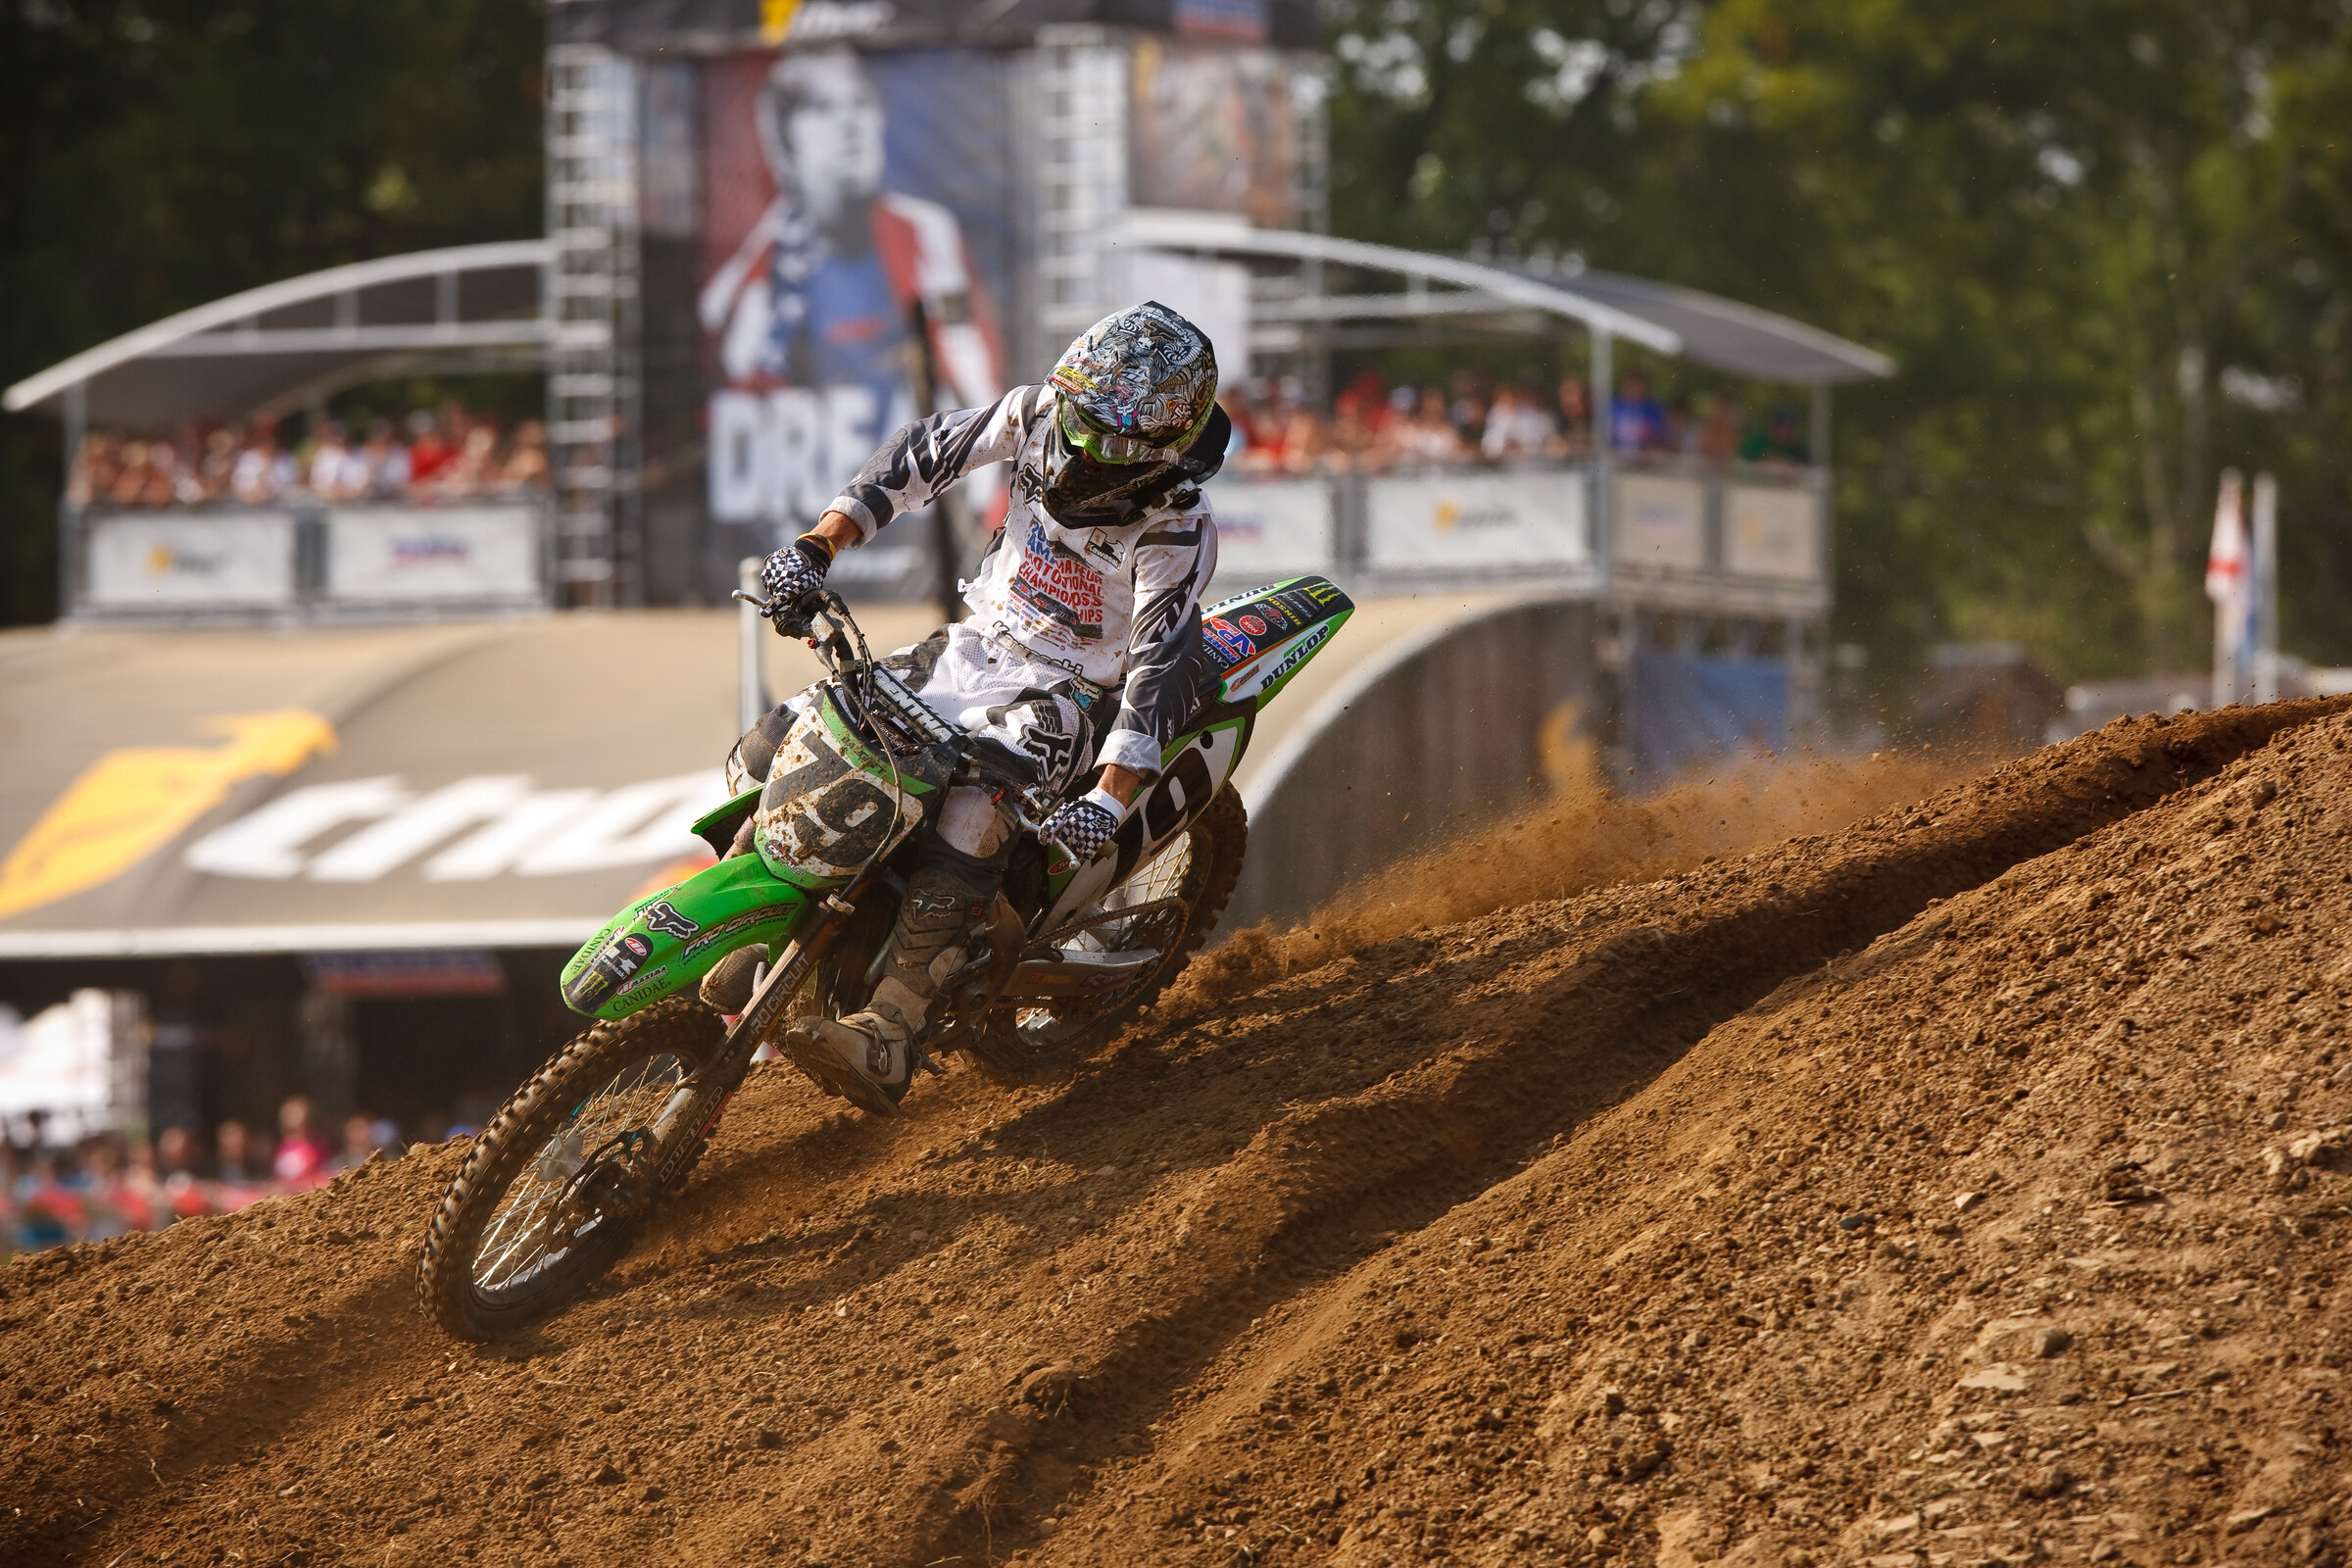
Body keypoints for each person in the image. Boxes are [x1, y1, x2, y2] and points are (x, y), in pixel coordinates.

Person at [748, 301, 1226, 1116]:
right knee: (784, 736)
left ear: (1161, 450)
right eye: (1079, 419)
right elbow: (922, 454)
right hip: (975, 646)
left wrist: (1107, 802)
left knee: (971, 812)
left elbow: (1156, 665)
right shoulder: (1041, 412)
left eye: (1108, 440)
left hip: (1075, 691)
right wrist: (814, 547)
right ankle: (768, 929)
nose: (1079, 447)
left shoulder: (1177, 527)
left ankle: (892, 1029)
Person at [698, 44, 1004, 522]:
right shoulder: (752, 276)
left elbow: (972, 373)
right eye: (822, 108)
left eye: (860, 104)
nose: (850, 125)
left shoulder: (928, 235)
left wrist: (992, 504)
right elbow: (725, 363)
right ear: (784, 140)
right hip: (799, 513)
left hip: (920, 507)